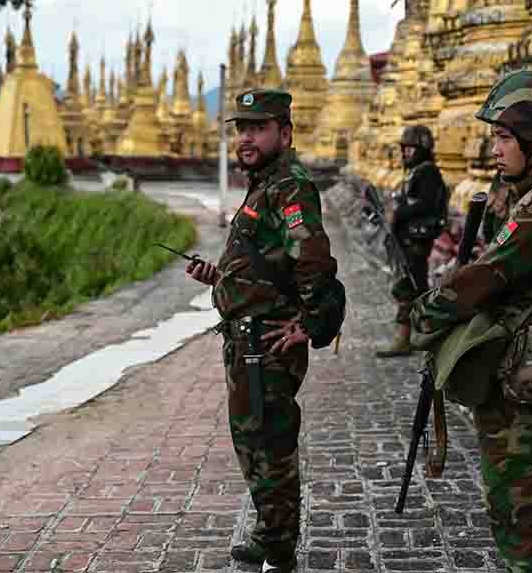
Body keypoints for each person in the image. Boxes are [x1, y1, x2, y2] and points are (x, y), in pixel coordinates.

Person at [413, 70, 532, 572]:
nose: (493, 149)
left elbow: (488, 274)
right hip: (516, 378)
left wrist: (424, 312)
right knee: (525, 514)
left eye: (503, 136)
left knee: (520, 517)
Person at [185, 88, 343, 573]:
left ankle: (279, 548)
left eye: (258, 129)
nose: (246, 138)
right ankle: (270, 533)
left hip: (268, 342)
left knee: (270, 445)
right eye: (241, 130)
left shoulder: (289, 186)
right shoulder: (265, 184)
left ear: (285, 133)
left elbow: (312, 261)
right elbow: (270, 259)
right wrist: (222, 276)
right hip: (245, 336)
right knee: (253, 443)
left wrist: (310, 326)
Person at [376, 125, 447, 358]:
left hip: (415, 240)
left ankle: (406, 338)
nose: (406, 153)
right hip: (405, 240)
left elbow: (425, 204)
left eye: (411, 149)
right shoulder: (415, 171)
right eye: (404, 149)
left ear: (422, 148)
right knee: (413, 288)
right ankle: (424, 335)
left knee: (408, 288)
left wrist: (398, 212)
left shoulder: (427, 172)